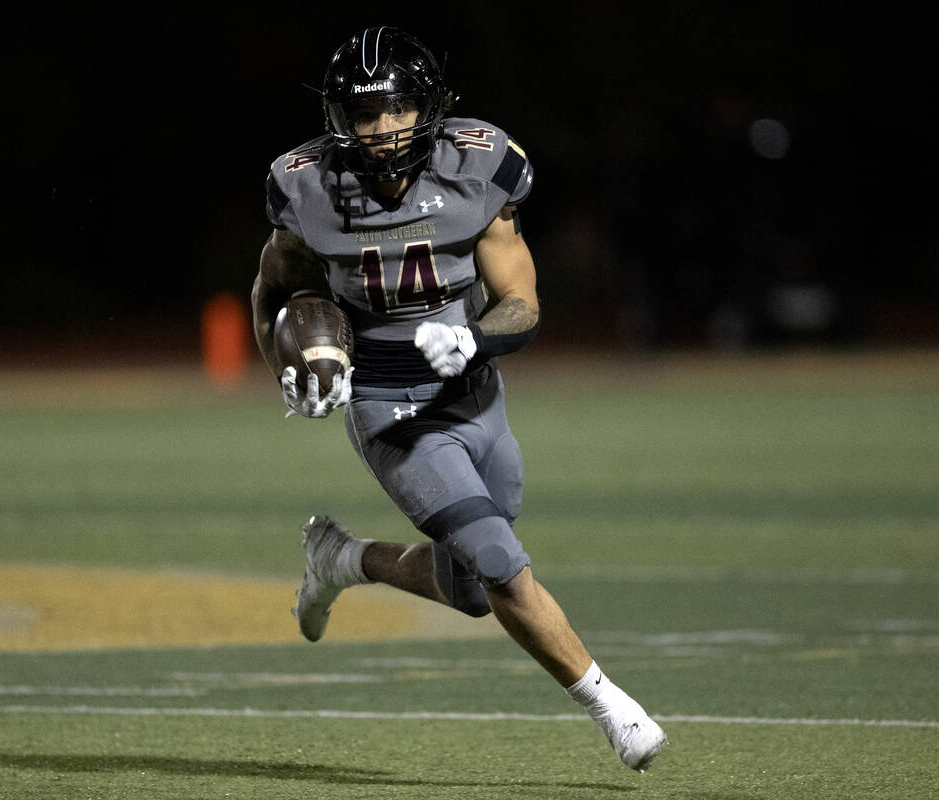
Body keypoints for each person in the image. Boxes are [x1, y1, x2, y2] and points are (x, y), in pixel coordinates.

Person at [251, 26, 668, 772]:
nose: (379, 131)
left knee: (471, 590)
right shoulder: (307, 188)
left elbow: (524, 303)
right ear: (337, 120)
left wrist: (477, 339)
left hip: (476, 396)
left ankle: (344, 559)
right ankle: (611, 705)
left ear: (430, 107)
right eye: (362, 114)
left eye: (396, 110)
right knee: (501, 562)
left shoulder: (478, 166)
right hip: (390, 405)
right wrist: (288, 365)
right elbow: (275, 289)